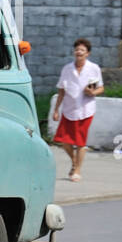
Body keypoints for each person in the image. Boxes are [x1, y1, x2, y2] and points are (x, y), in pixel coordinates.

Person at [52, 37, 104, 182]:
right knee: (64, 141)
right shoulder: (67, 69)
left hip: (86, 109)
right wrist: (56, 110)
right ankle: (74, 161)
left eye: (82, 50)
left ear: (88, 53)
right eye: (77, 50)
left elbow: (101, 88)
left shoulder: (93, 68)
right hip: (69, 109)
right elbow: (61, 90)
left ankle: (77, 170)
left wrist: (93, 92)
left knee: (80, 142)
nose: (79, 52)